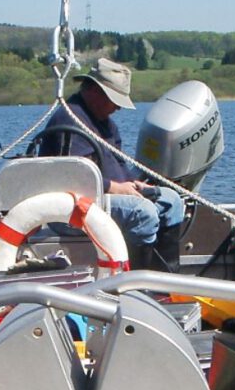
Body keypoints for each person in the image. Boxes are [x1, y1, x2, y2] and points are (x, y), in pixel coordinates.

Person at [38, 58, 184, 272]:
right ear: (95, 92)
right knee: (141, 212)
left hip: (103, 198)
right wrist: (116, 188)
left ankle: (166, 281)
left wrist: (135, 185)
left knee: (172, 201)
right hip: (70, 208)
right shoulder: (71, 119)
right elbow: (75, 179)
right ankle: (137, 283)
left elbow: (119, 165)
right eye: (114, 100)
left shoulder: (107, 124)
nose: (118, 108)